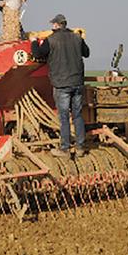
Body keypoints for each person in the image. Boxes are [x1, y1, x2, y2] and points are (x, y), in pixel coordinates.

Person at [31, 14, 90, 157]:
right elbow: (86, 53)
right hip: (77, 83)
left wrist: (33, 41)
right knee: (77, 115)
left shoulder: (50, 40)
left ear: (57, 25)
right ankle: (80, 148)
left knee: (64, 117)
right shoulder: (77, 38)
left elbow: (38, 54)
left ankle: (65, 149)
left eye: (53, 25)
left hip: (61, 84)